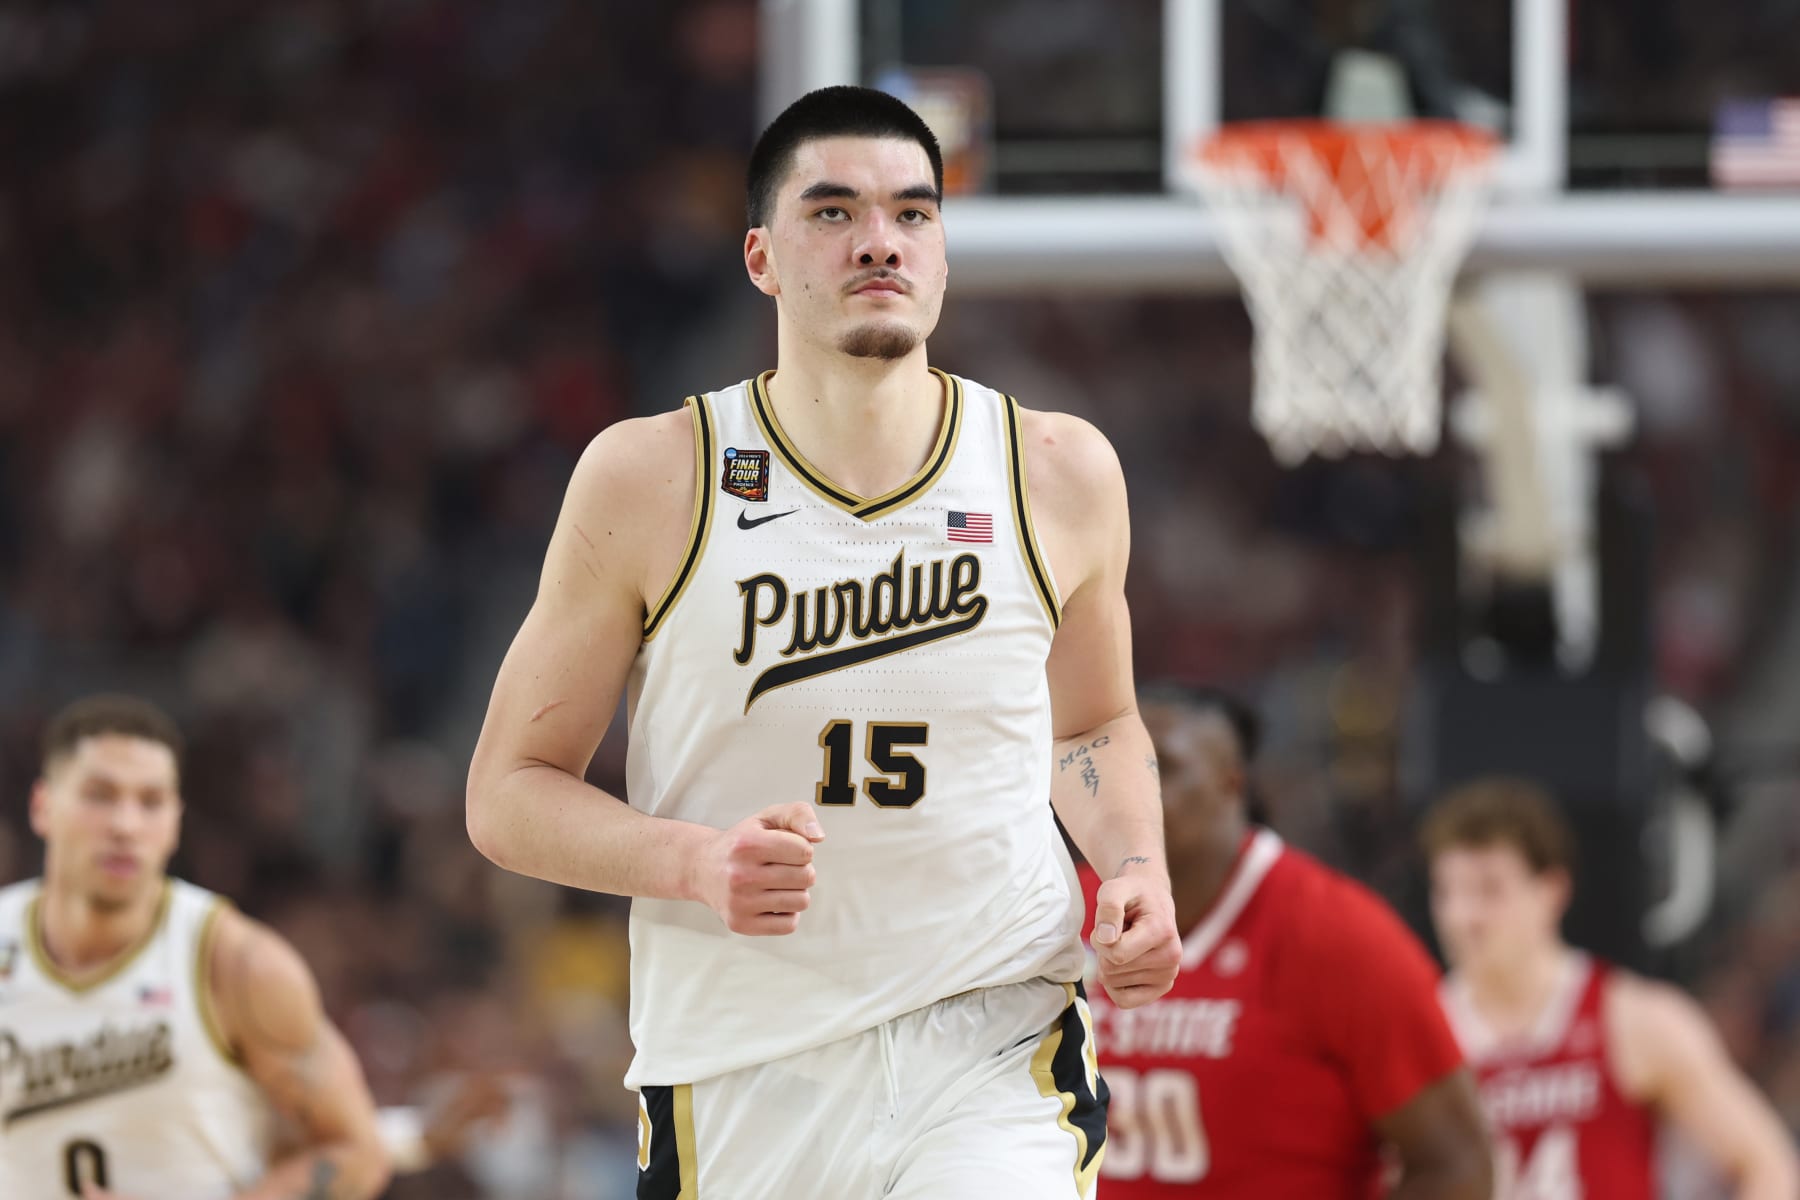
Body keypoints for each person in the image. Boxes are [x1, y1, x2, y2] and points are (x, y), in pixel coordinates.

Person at [465, 84, 1182, 1198]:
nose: (879, 242)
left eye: (912, 213)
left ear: (944, 252)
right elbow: (508, 791)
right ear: (761, 257)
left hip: (989, 1038)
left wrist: (1133, 866)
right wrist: (694, 863)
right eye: (834, 212)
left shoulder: (1057, 469)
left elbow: (1092, 724)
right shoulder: (654, 475)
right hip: (743, 1061)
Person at [1079, 686, 1492, 1198]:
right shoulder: (1060, 907)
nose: (1134, 792)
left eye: (1160, 767)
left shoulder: (1342, 935)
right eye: (1120, 770)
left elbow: (1459, 1163)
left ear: (1232, 785)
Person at [0, 694, 390, 1200]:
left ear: (176, 822)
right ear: (43, 806)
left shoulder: (237, 962)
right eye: (100, 795)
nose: (125, 826)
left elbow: (357, 1155)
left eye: (151, 801)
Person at [1423, 777, 1800, 1200]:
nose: (1463, 916)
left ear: (1551, 890)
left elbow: (1768, 1165)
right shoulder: (1419, 1039)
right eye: (1446, 891)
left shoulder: (1635, 1020)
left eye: (1488, 890)